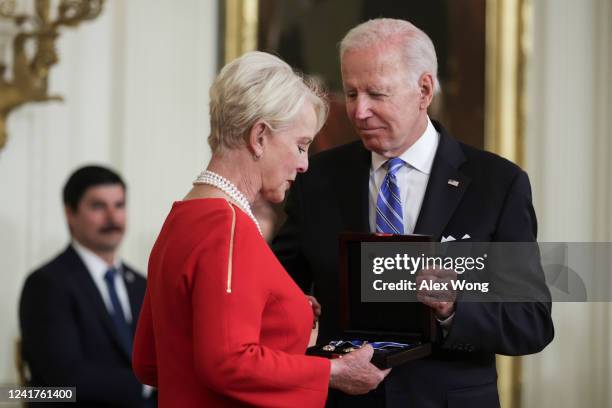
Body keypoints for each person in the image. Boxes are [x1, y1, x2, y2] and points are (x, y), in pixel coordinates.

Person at [272, 18, 555, 407]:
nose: (359, 111)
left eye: (376, 93)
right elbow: (276, 288)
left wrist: (454, 307)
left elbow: (531, 322)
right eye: (351, 93)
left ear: (423, 89)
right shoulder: (316, 178)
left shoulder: (497, 184)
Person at [131, 51, 389, 408]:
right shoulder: (227, 227)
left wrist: (279, 317)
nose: (303, 164)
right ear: (259, 137)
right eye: (300, 146)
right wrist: (333, 372)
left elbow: (149, 362)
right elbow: (227, 361)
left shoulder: (184, 216)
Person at [19, 165, 155, 407]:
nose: (112, 217)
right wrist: (146, 385)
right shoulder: (46, 284)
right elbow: (63, 380)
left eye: (119, 205)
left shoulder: (142, 284)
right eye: (98, 206)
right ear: (70, 213)